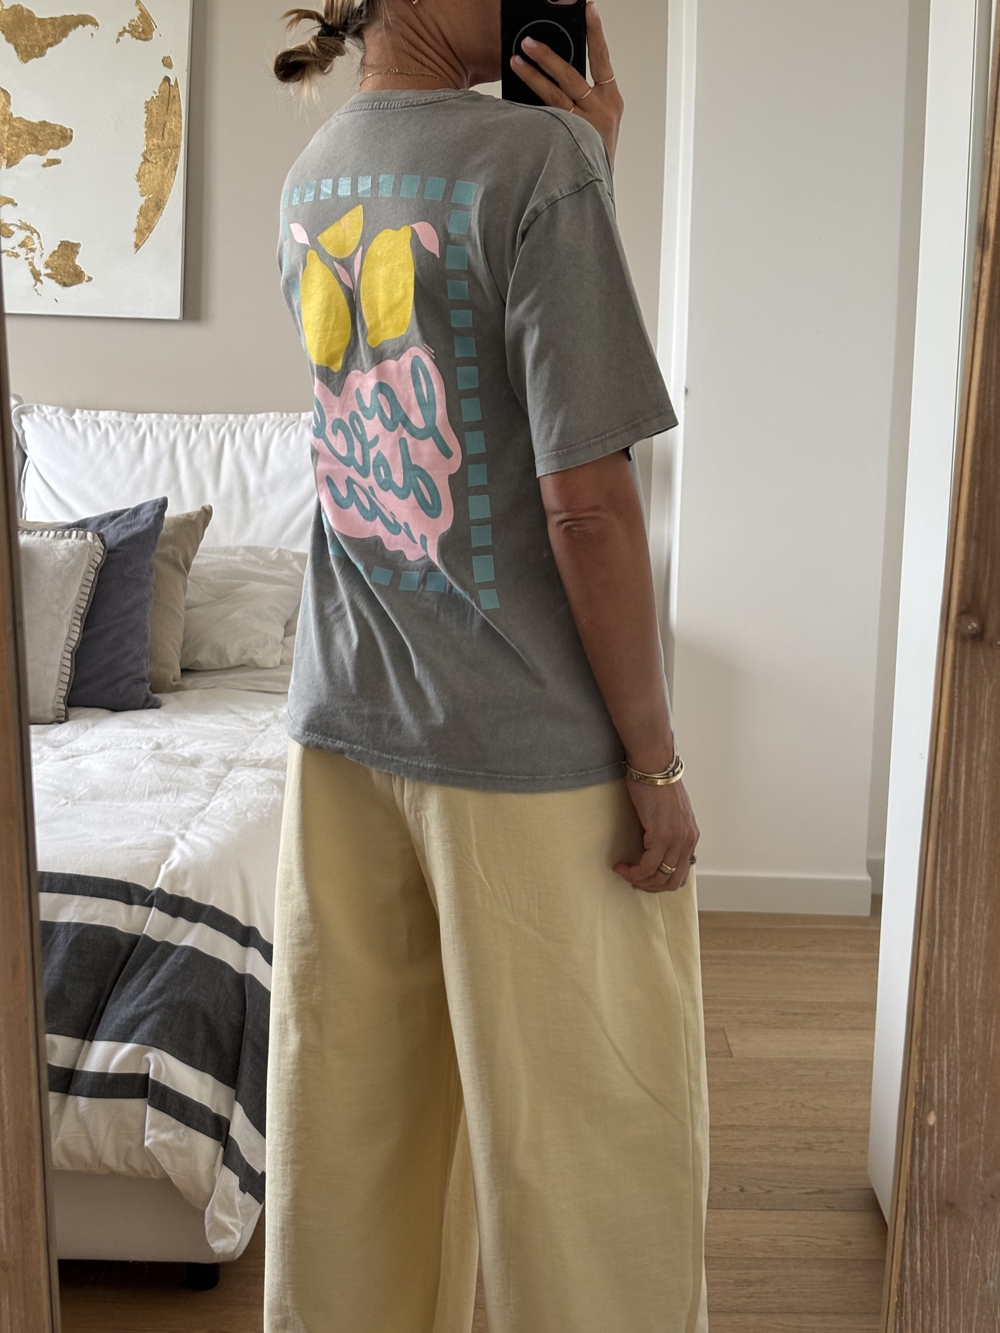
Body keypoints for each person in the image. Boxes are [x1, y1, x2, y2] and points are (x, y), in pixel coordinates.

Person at [266, 1, 708, 1329]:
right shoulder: (538, 164)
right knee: (586, 1156)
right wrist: (655, 760)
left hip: (343, 723)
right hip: (526, 749)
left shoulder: (318, 166)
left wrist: (591, 175)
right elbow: (588, 508)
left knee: (355, 1145)